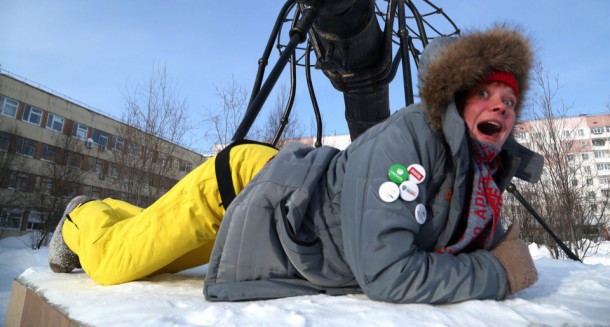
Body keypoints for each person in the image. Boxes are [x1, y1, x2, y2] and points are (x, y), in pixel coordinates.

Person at [49, 26, 543, 304]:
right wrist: (494, 274)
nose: (500, 105)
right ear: (454, 98)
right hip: (251, 190)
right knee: (117, 263)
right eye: (483, 92)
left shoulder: (479, 173)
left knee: (152, 257)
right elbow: (389, 272)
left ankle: (114, 214)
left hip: (281, 209)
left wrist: (494, 247)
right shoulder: (409, 140)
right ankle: (80, 216)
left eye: (508, 97)